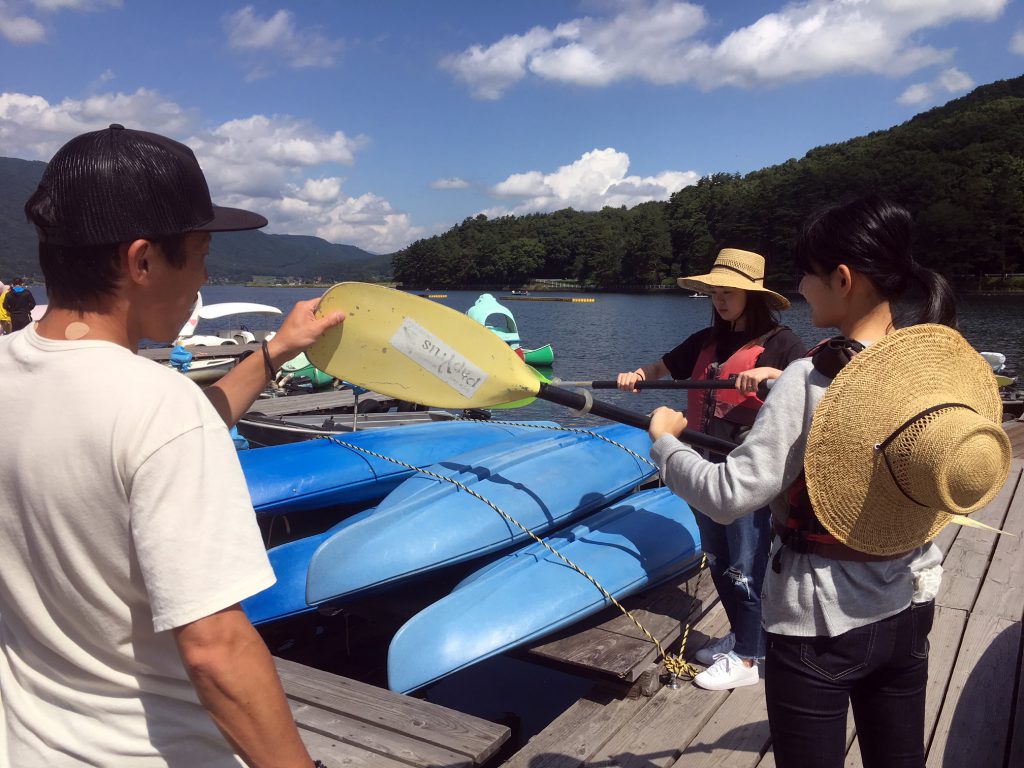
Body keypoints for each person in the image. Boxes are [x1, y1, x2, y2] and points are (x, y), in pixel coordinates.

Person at [0, 124, 345, 766]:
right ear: (142, 262)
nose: (204, 278)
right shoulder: (158, 408)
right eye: (200, 253)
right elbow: (216, 650)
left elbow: (143, 442)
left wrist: (274, 352)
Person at [646, 194, 1011, 767]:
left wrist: (666, 442)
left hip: (820, 621)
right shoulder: (922, 366)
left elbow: (728, 496)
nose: (801, 288)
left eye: (808, 275)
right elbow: (861, 414)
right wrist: (775, 388)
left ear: (843, 278)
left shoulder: (807, 380)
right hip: (909, 604)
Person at [617, 248, 805, 690]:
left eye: (729, 293)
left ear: (751, 296)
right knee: (719, 559)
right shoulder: (705, 341)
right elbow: (661, 367)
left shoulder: (783, 342)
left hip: (747, 473)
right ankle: (746, 638)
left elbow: (807, 385)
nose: (720, 301)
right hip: (703, 469)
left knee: (746, 563)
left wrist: (769, 374)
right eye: (715, 293)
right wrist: (636, 375)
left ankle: (747, 660)